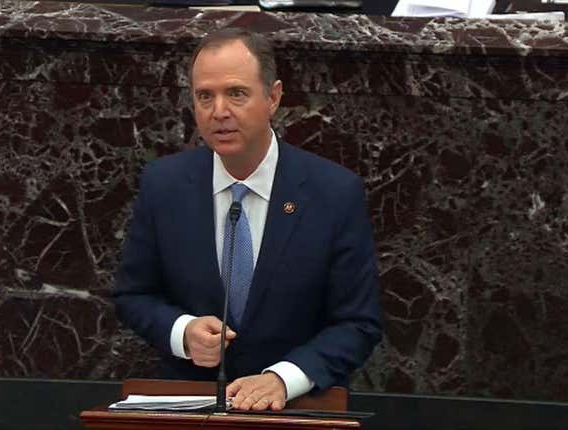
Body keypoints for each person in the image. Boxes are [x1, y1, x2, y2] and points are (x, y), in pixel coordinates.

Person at [114, 28, 382, 411]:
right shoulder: (165, 185)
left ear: (273, 97)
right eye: (205, 96)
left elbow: (358, 323)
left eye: (236, 93)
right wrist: (182, 332)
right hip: (191, 404)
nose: (219, 111)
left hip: (295, 406)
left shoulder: (333, 193)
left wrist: (284, 378)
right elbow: (133, 295)